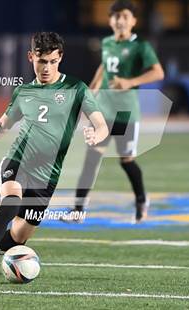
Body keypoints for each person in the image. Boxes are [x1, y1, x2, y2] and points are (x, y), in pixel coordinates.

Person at [0, 32, 108, 283]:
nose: (46, 67)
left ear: (60, 59)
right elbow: (1, 128)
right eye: (41, 61)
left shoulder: (76, 89)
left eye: (52, 61)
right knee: (10, 206)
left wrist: (97, 134)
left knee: (18, 236)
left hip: (48, 176)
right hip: (17, 161)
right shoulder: (23, 91)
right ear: (30, 57)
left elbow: (101, 124)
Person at [66, 0, 164, 223]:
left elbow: (158, 73)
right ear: (110, 20)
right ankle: (78, 210)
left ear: (133, 21)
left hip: (125, 113)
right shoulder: (108, 42)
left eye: (125, 16)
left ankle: (141, 199)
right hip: (103, 112)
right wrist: (89, 95)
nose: (120, 21)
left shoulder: (141, 46)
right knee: (91, 159)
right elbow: (103, 69)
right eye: (116, 17)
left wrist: (130, 82)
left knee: (126, 160)